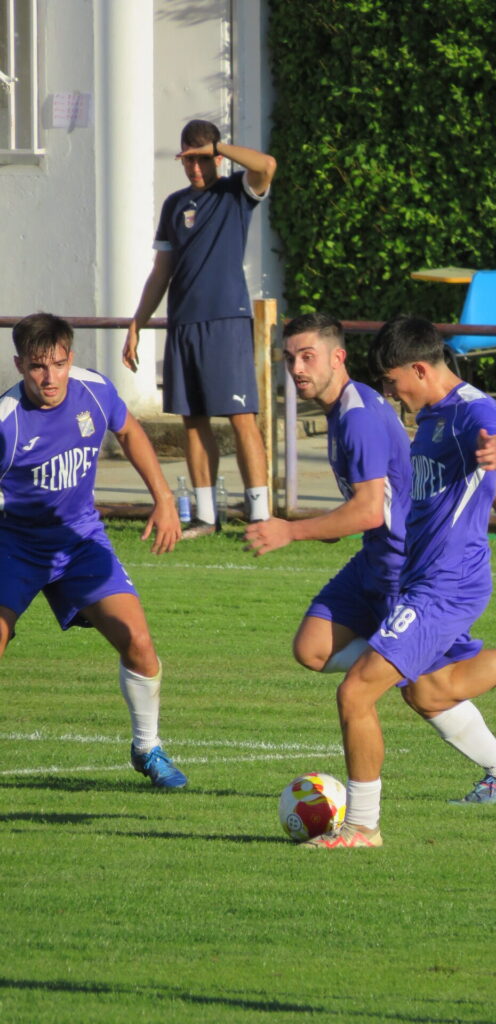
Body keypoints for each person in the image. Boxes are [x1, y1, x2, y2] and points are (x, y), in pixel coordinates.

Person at [286, 314, 496, 849]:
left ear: (420, 369)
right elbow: (491, 483)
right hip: (423, 578)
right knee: (430, 691)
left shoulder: (472, 410)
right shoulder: (436, 417)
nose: (392, 394)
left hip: (447, 583)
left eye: (395, 382)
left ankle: (362, 828)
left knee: (356, 693)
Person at [0, 312, 188, 789]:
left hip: (81, 541)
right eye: (39, 367)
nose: (51, 377)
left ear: (71, 359)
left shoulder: (93, 390)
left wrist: (164, 500)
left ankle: (147, 748)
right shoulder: (6, 422)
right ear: (20, 364)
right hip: (16, 546)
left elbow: (129, 432)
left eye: (59, 364)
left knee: (139, 643)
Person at [122, 118, 277, 537]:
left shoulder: (235, 193)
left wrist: (220, 150)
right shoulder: (174, 205)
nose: (194, 169)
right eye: (186, 160)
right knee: (193, 419)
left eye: (200, 159)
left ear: (216, 157)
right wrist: (137, 323)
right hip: (183, 323)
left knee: (242, 416)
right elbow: (161, 272)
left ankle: (260, 514)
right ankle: (207, 517)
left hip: (226, 319)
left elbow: (267, 165)